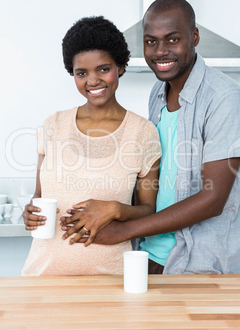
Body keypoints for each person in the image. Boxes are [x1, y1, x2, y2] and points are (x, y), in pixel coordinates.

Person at [61, 0, 240, 275]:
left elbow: (213, 199)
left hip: (197, 266)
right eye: (151, 41)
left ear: (194, 36)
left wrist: (123, 230)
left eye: (173, 39)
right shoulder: (158, 94)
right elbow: (154, 179)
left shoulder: (225, 98)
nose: (160, 51)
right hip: (147, 257)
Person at [22, 16, 161, 276]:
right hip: (42, 277)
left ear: (120, 66)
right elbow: (39, 196)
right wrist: (29, 212)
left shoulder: (143, 132)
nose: (93, 81)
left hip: (112, 278)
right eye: (81, 73)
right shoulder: (53, 125)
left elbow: (148, 210)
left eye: (103, 69)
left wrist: (114, 208)